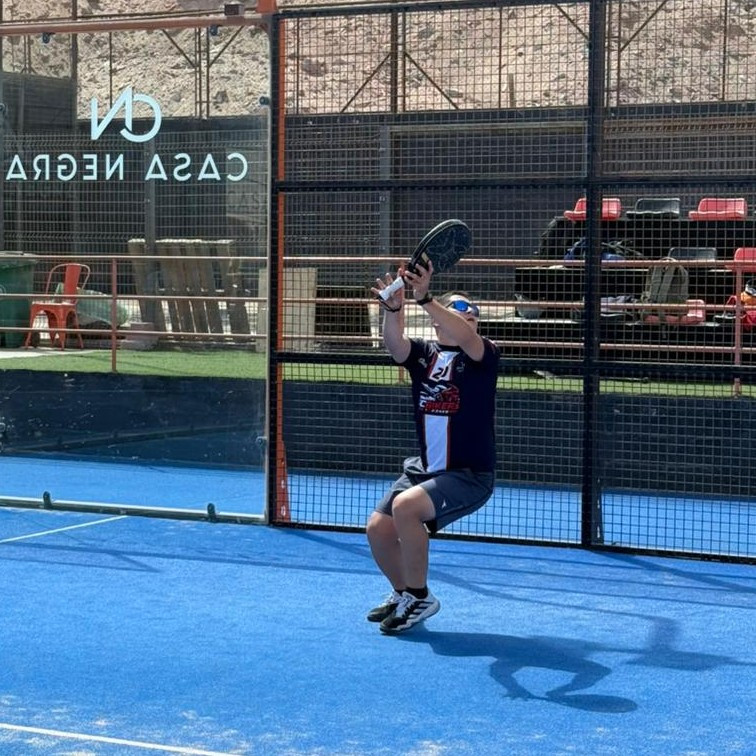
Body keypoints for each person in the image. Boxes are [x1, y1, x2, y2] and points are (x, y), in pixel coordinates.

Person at [367, 259, 500, 634]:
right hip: (425, 469)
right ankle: (403, 593)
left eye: (472, 317)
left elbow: (468, 337)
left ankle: (420, 596)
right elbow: (395, 346)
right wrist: (393, 310)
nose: (469, 320)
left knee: (405, 508)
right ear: (438, 323)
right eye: (460, 313)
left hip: (468, 475)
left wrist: (425, 297)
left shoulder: (483, 356)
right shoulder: (425, 355)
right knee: (378, 529)